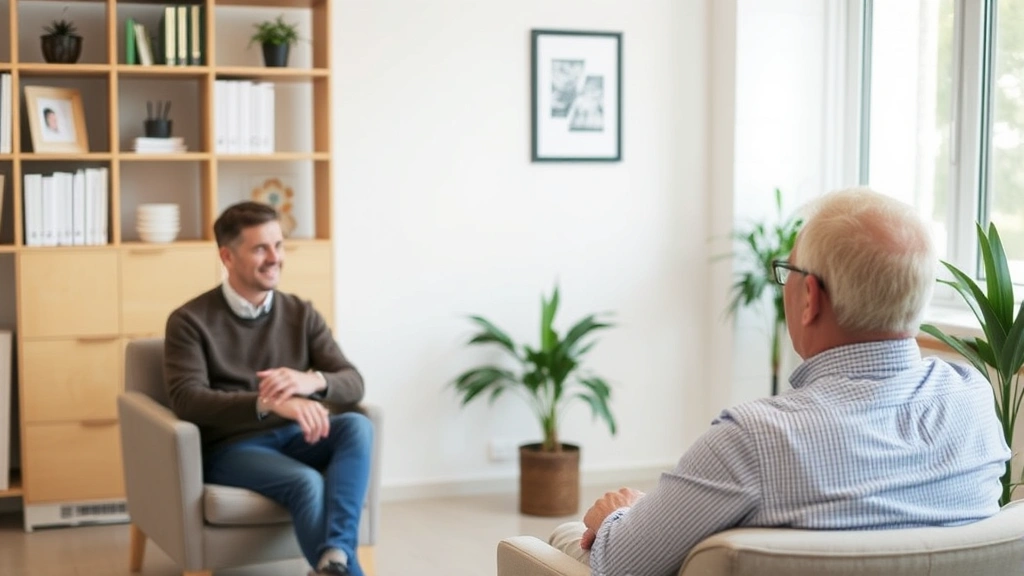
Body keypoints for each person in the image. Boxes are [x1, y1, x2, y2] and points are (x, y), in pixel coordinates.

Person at [552, 188, 1011, 575]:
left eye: (788, 272)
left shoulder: (754, 440)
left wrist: (619, 515)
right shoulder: (972, 401)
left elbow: (622, 565)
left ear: (809, 297)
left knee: (568, 538)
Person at [164, 201, 372, 576]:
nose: (274, 257)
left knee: (357, 426)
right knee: (305, 482)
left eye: (279, 245)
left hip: (295, 438)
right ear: (227, 257)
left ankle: (336, 557)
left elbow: (353, 381)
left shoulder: (300, 313)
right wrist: (271, 403)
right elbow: (187, 399)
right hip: (232, 448)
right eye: (260, 248)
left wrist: (311, 381)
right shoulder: (189, 321)